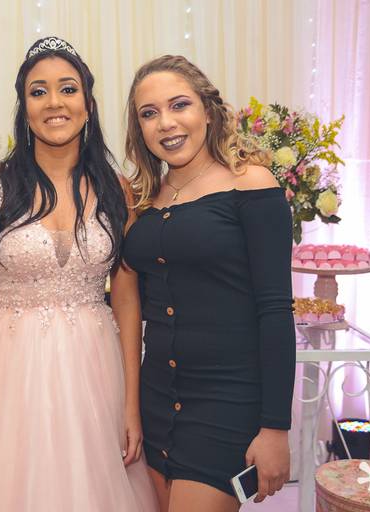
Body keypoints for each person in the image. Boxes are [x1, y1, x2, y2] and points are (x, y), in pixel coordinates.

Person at [0, 37, 158, 511]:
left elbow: (128, 301)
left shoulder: (118, 190)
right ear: (24, 108)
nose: (54, 103)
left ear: (88, 105)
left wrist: (130, 404)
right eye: (38, 91)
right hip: (9, 371)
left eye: (67, 89)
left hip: (95, 371)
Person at [122, 55, 295, 511]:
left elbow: (276, 309)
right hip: (156, 399)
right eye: (149, 113)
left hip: (226, 402)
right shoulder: (145, 200)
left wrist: (276, 427)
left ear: (208, 110)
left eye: (179, 105)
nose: (166, 123)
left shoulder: (251, 184)